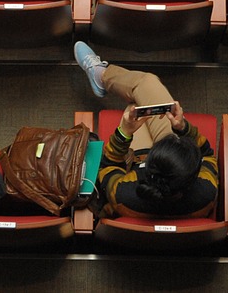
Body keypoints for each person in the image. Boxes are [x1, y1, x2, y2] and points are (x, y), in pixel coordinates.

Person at [74, 43, 219, 219]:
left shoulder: (123, 193)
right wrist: (183, 128)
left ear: (149, 165)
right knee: (141, 104)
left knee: (137, 101)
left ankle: (101, 75)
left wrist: (124, 134)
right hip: (168, 175)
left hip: (135, 162)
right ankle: (101, 76)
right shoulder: (205, 191)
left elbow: (109, 166)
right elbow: (208, 156)